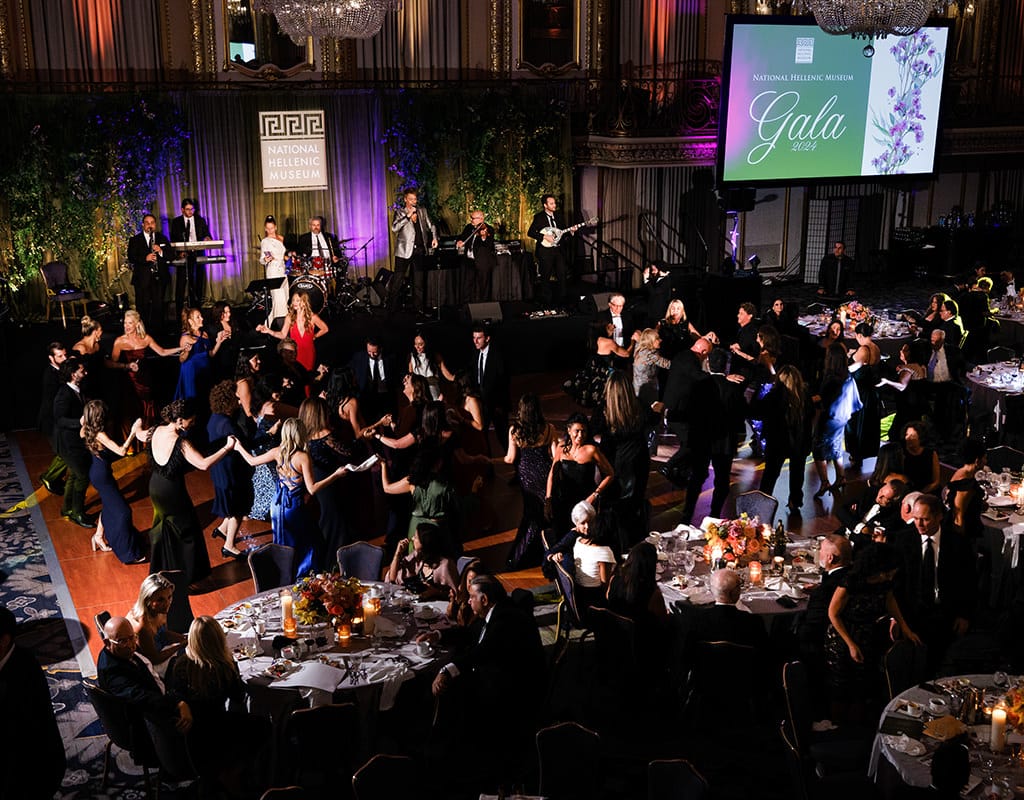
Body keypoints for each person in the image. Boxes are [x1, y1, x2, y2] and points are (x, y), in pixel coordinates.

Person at [423, 574, 546, 789]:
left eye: (471, 597)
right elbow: (470, 634)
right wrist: (438, 636)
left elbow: (482, 651)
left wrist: (446, 671)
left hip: (515, 691)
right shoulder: (495, 611)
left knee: (454, 690)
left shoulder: (505, 620)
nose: (468, 601)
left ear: (485, 599)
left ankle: (454, 757)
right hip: (501, 676)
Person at [146, 397, 236, 631]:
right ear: (179, 420)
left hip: (156, 487)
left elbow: (139, 434)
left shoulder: (155, 430)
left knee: (164, 529)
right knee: (187, 532)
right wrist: (226, 448)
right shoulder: (181, 442)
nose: (192, 424)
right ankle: (184, 578)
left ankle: (163, 572)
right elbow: (204, 464)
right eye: (190, 420)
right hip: (173, 491)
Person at [166, 616, 269, 798]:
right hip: (217, 731)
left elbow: (173, 693)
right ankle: (237, 771)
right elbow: (238, 697)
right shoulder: (221, 668)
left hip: (190, 735)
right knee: (264, 725)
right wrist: (232, 664)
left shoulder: (179, 663)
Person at [235, 417, 349, 579]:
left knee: (284, 542)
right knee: (309, 542)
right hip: (293, 506)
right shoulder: (302, 457)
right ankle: (305, 577)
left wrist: (239, 447)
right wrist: (336, 475)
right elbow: (312, 488)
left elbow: (252, 461)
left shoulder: (277, 451)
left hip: (277, 504)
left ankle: (285, 575)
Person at [825, 542, 921, 723]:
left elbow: (890, 602)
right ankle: (838, 725)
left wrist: (906, 628)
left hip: (868, 634)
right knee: (841, 684)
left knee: (863, 684)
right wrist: (850, 645)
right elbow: (833, 613)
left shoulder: (885, 582)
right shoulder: (851, 580)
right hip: (843, 636)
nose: (893, 574)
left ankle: (857, 725)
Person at [893, 494, 977, 673]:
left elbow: (969, 581)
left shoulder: (958, 543)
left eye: (925, 519)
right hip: (912, 613)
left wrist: (964, 614)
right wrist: (895, 617)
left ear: (939, 517)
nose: (919, 524)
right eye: (915, 519)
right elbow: (896, 584)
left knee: (937, 664)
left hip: (945, 614)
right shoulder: (903, 541)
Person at [0, 604, 67, 800]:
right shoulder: (13, 656)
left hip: (31, 773)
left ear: (3, 641)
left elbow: (15, 739)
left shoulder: (21, 677)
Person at [680, 348, 746, 523]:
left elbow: (689, 411)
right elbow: (741, 416)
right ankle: (714, 516)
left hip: (702, 439)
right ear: (727, 367)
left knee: (696, 478)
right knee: (722, 481)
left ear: (708, 364)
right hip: (724, 442)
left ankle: (686, 516)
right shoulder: (733, 388)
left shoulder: (699, 385)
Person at [98, 615, 192, 733]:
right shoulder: (112, 673)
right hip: (148, 721)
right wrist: (177, 702)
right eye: (123, 641)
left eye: (132, 638)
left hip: (155, 689)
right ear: (107, 642)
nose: (131, 645)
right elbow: (143, 697)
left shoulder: (120, 652)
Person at [81, 399, 147, 562]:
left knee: (109, 505)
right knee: (124, 512)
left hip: (98, 473)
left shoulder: (85, 429)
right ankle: (128, 554)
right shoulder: (100, 434)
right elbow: (121, 451)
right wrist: (133, 431)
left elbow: (82, 422)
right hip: (102, 476)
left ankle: (98, 536)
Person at [795, 534, 852, 706]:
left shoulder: (825, 591)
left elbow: (812, 626)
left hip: (818, 646)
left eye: (821, 551)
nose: (818, 553)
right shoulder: (848, 575)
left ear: (830, 558)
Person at [503, 392, 558, 570]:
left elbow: (510, 458)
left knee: (531, 515)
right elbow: (555, 455)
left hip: (527, 477)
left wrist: (498, 460)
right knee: (546, 515)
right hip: (544, 474)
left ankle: (521, 556)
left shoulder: (514, 431)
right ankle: (545, 551)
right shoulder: (548, 428)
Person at [299, 396, 355, 558]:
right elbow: (348, 453)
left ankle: (324, 555)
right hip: (331, 480)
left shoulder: (304, 437)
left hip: (314, 479)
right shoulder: (327, 435)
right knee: (334, 518)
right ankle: (335, 556)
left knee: (326, 516)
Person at [752, 364, 812, 515]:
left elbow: (756, 412)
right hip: (799, 441)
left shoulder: (773, 396)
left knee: (770, 474)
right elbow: (811, 417)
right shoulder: (804, 396)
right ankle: (795, 501)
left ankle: (764, 502)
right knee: (797, 473)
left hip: (776, 442)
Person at [601, 370, 651, 547]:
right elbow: (651, 420)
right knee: (635, 500)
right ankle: (636, 539)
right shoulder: (639, 406)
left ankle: (619, 542)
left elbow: (594, 435)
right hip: (638, 460)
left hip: (614, 462)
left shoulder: (604, 410)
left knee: (616, 503)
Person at [545, 413, 614, 536]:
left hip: (584, 501)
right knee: (562, 534)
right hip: (563, 500)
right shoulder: (561, 448)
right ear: (569, 430)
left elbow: (610, 474)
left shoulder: (591, 450)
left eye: (584, 431)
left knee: (583, 535)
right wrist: (548, 499)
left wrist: (594, 495)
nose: (580, 435)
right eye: (577, 431)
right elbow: (552, 473)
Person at [206, 380, 253, 560]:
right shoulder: (228, 424)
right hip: (231, 472)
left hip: (220, 471)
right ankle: (229, 545)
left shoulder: (214, 418)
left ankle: (222, 529)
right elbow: (243, 445)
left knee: (231, 506)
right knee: (237, 509)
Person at [112, 310, 182, 426]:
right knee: (133, 408)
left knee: (147, 407)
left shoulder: (146, 338)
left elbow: (162, 352)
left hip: (145, 379)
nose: (126, 326)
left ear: (137, 324)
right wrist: (126, 366)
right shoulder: (120, 341)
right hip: (129, 380)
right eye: (125, 323)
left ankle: (147, 432)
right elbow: (111, 363)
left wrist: (180, 348)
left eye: (129, 323)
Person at [811, 343, 861, 499]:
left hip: (829, 419)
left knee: (818, 449)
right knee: (836, 445)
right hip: (842, 417)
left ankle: (825, 481)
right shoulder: (847, 375)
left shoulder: (831, 380)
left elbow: (823, 401)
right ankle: (841, 477)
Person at [53, 356, 94, 528]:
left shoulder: (78, 389)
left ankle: (67, 508)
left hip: (75, 441)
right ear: (72, 374)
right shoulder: (64, 394)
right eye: (81, 371)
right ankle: (78, 512)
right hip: (68, 444)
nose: (85, 372)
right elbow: (60, 419)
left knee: (74, 476)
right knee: (83, 476)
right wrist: (80, 422)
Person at [688, 568, 768, 649]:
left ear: (712, 592)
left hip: (705, 661)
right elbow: (766, 656)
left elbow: (686, 655)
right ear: (737, 592)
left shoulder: (697, 620)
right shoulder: (754, 622)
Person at [256, 290, 328, 373]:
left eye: (297, 300)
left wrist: (315, 336)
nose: (294, 302)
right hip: (295, 354)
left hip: (309, 353)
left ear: (304, 302)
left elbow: (325, 329)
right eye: (293, 300)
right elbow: (283, 335)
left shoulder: (312, 317)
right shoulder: (289, 317)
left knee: (307, 377)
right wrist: (269, 331)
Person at [126, 572, 187, 673]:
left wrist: (185, 638)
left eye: (169, 597)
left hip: (162, 650)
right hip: (151, 667)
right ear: (147, 600)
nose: (167, 603)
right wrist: (180, 645)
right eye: (160, 600)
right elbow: (154, 659)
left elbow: (164, 633)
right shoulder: (142, 626)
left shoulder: (159, 610)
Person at [390, 188, 438, 313]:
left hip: (419, 251)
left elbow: (431, 225)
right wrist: (408, 216)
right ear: (405, 199)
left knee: (418, 283)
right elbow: (394, 228)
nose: (413, 202)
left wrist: (434, 237)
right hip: (403, 251)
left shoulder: (422, 211)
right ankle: (391, 309)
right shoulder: (400, 212)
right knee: (397, 281)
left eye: (415, 199)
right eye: (411, 199)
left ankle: (419, 310)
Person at [385, 521, 459, 598]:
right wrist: (397, 554)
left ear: (425, 542)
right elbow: (392, 579)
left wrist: (436, 592)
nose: (412, 539)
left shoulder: (445, 565)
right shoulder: (416, 557)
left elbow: (457, 596)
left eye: (416, 537)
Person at [127, 213, 172, 333]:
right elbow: (131, 257)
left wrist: (161, 251)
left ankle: (158, 333)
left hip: (158, 278)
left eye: (152, 223)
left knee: (159, 306)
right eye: (147, 223)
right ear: (143, 225)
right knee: (142, 306)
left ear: (155, 225)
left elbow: (171, 255)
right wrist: (145, 258)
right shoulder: (135, 240)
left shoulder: (162, 238)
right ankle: (142, 332)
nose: (149, 225)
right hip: (142, 278)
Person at [877, 340, 930, 440]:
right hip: (917, 406)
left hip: (907, 406)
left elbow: (902, 386)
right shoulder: (921, 367)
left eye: (904, 350)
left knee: (896, 432)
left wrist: (886, 381)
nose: (901, 351)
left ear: (911, 353)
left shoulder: (908, 368)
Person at [846, 322, 882, 466]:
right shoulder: (876, 348)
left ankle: (856, 455)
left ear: (859, 335)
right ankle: (863, 453)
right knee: (868, 424)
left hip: (859, 394)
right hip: (872, 393)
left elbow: (853, 368)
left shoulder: (863, 350)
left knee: (854, 424)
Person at [169, 197, 213, 314]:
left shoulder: (200, 220)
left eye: (192, 209)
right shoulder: (176, 222)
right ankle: (179, 311)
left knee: (197, 282)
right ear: (182, 210)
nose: (190, 212)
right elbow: (173, 239)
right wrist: (179, 253)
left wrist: (207, 238)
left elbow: (206, 234)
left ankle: (196, 309)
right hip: (183, 255)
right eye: (187, 209)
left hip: (197, 253)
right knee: (181, 283)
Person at [471, 324, 510, 454]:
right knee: (482, 436)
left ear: (487, 338)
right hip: (482, 404)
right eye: (474, 337)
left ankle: (517, 469)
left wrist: (500, 404)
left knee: (503, 437)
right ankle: (488, 470)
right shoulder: (475, 354)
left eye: (479, 338)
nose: (475, 341)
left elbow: (503, 381)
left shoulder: (497, 355)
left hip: (496, 404)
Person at [528, 193, 571, 306]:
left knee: (562, 275)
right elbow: (531, 232)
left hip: (558, 250)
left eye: (554, 203)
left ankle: (563, 300)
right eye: (551, 203)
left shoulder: (559, 216)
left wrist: (570, 232)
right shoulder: (539, 217)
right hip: (545, 251)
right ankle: (546, 301)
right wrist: (544, 236)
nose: (554, 205)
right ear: (545, 205)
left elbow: (562, 233)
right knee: (545, 276)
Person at [38, 341, 69, 496]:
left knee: (65, 451)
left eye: (65, 354)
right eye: (60, 356)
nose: (64, 358)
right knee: (65, 452)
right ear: (52, 358)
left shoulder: (63, 370)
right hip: (51, 421)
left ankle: (52, 477)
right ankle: (50, 477)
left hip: (59, 419)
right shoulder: (50, 376)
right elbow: (54, 403)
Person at [174, 307, 221, 402]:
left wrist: (219, 341)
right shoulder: (185, 337)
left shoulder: (204, 334)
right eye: (198, 317)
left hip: (205, 371)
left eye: (201, 316)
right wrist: (187, 351)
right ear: (191, 321)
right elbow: (181, 359)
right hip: (192, 372)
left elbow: (211, 354)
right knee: (193, 400)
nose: (202, 319)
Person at [349, 336, 399, 425]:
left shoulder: (391, 358)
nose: (371, 355)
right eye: (369, 352)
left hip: (386, 397)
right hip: (366, 397)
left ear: (381, 349)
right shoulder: (359, 357)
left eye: (375, 352)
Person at [944, 438, 986, 539]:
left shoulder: (961, 472)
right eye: (984, 458)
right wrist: (961, 544)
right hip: (964, 533)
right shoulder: (965, 484)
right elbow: (958, 517)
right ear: (977, 461)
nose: (986, 461)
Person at [456, 209, 497, 303]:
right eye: (471, 218)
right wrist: (459, 241)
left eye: (473, 218)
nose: (471, 220)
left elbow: (489, 245)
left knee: (483, 286)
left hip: (483, 262)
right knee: (467, 285)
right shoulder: (468, 228)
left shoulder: (489, 229)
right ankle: (467, 305)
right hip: (469, 261)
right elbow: (462, 237)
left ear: (481, 219)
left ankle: (484, 306)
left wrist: (483, 237)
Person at [260, 214, 289, 325]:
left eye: (272, 228)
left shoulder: (281, 238)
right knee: (278, 299)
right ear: (265, 228)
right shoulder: (265, 241)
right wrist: (266, 259)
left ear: (275, 227)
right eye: (268, 228)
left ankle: (268, 325)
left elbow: (283, 255)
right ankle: (281, 326)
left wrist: (289, 257)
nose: (270, 230)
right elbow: (262, 260)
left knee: (285, 299)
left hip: (283, 270)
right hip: (273, 271)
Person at [408, 332, 455, 401]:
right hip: (419, 390)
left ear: (426, 344)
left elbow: (445, 372)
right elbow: (410, 374)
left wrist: (456, 378)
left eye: (420, 344)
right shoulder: (412, 357)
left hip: (432, 388)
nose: (417, 347)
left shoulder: (435, 356)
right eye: (415, 344)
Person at [897, 421, 941, 493]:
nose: (907, 438)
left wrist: (920, 494)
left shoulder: (930, 453)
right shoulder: (901, 452)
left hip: (927, 492)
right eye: (906, 434)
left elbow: (936, 481)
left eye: (912, 436)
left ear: (920, 438)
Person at [728, 302, 761, 377]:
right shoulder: (743, 330)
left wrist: (735, 347)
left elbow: (745, 348)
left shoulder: (751, 331)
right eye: (739, 313)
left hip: (745, 372)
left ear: (750, 316)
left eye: (741, 313)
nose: (738, 315)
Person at [640, 262, 674, 329]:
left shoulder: (666, 281)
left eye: (654, 269)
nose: (652, 272)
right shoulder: (657, 279)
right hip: (651, 310)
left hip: (659, 312)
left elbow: (654, 292)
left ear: (660, 270)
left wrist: (646, 280)